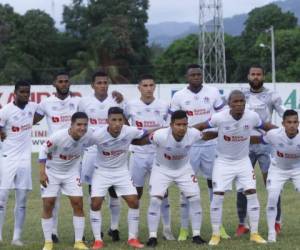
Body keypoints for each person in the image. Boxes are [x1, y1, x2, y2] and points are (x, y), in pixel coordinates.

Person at [34, 71, 123, 242]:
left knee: (94, 192)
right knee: (53, 197)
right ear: (54, 83)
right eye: (60, 81)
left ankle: (109, 228)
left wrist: (118, 96)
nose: (64, 84)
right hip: (55, 153)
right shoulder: (46, 102)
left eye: (66, 81)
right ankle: (52, 232)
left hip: (80, 152)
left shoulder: (78, 102)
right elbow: (29, 118)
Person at [194, 90, 276, 246]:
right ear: (229, 104)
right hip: (223, 162)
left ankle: (254, 233)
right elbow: (203, 126)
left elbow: (266, 126)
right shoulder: (220, 117)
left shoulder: (252, 116)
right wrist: (186, 130)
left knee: (252, 193)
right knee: (218, 196)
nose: (239, 104)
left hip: (243, 162)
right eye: (235, 102)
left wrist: (283, 132)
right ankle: (216, 234)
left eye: (242, 102)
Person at [134, 110, 218, 247]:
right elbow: (142, 141)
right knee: (155, 200)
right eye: (178, 124)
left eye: (184, 124)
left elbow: (206, 135)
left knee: (195, 199)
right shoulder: (160, 135)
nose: (182, 128)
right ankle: (152, 236)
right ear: (171, 125)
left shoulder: (193, 133)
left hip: (183, 169)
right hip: (161, 169)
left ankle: (196, 235)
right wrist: (124, 141)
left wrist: (224, 132)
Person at [170, 64, 228, 240]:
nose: (196, 77)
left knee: (215, 185)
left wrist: (213, 134)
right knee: (186, 187)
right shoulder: (179, 96)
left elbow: (223, 117)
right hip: (189, 147)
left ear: (202, 76)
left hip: (210, 145)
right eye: (192, 74)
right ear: (187, 77)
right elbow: (173, 123)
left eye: (198, 74)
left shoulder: (213, 92)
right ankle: (184, 228)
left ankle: (218, 227)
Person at [236, 65, 285, 236]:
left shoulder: (272, 95)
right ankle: (242, 223)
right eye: (253, 74)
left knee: (271, 183)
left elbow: (283, 113)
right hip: (244, 143)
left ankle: (277, 221)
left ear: (263, 76)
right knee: (242, 184)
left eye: (259, 74)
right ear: (248, 76)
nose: (256, 77)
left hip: (266, 144)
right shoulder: (240, 94)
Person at [124, 75, 174, 240]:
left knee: (163, 192)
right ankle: (134, 231)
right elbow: (124, 123)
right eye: (144, 85)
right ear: (139, 88)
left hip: (157, 155)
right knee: (135, 193)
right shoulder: (130, 105)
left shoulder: (164, 105)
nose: (148, 88)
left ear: (155, 87)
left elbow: (169, 126)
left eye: (151, 85)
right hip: (137, 154)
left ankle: (167, 228)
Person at [89, 107, 147, 249]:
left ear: (123, 121)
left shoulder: (130, 131)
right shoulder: (97, 135)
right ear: (107, 121)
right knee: (95, 204)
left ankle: (132, 238)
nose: (117, 123)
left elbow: (147, 134)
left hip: (122, 172)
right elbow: (79, 144)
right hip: (101, 172)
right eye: (113, 120)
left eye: (120, 120)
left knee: (134, 201)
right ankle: (98, 240)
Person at [79, 71, 124, 242]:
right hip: (91, 151)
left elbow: (123, 122)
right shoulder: (84, 102)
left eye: (105, 82)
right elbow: (79, 124)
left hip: (112, 150)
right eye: (99, 83)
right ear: (92, 85)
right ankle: (95, 230)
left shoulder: (116, 100)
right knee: (93, 191)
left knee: (113, 190)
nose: (102, 85)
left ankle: (114, 228)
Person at [39, 112, 94, 250]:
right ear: (72, 124)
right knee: (48, 205)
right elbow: (43, 150)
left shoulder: (88, 135)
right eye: (79, 124)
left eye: (85, 125)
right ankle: (48, 242)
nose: (82, 128)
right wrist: (42, 173)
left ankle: (78, 242)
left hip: (72, 173)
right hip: (52, 172)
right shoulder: (58, 136)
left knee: (78, 204)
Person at [250, 109, 300, 242]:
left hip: (297, 170)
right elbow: (258, 139)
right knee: (272, 198)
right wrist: (239, 138)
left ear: (298, 123)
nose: (292, 125)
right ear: (283, 123)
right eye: (289, 122)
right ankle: (272, 233)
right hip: (278, 170)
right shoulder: (274, 134)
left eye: (295, 122)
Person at [0, 81, 38, 246]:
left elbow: (44, 112)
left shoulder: (32, 107)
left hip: (24, 160)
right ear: (14, 93)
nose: (25, 95)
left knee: (22, 200)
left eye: (27, 92)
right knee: (2, 199)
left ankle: (16, 238)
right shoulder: (6, 111)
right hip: (7, 158)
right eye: (22, 92)